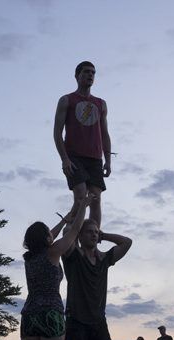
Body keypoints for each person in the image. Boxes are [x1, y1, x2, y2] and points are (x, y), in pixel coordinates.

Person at [15, 195, 92, 340]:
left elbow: (53, 234)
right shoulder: (53, 253)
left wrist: (66, 216)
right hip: (51, 314)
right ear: (46, 239)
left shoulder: (30, 258)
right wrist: (83, 209)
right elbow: (75, 230)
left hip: (29, 314)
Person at [54, 61, 112, 228]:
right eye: (86, 72)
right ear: (77, 75)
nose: (90, 75)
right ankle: (70, 237)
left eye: (93, 73)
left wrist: (108, 159)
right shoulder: (66, 100)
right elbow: (57, 132)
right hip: (74, 156)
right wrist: (64, 159)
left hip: (95, 157)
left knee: (95, 198)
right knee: (80, 196)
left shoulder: (101, 104)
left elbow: (105, 133)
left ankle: (92, 244)